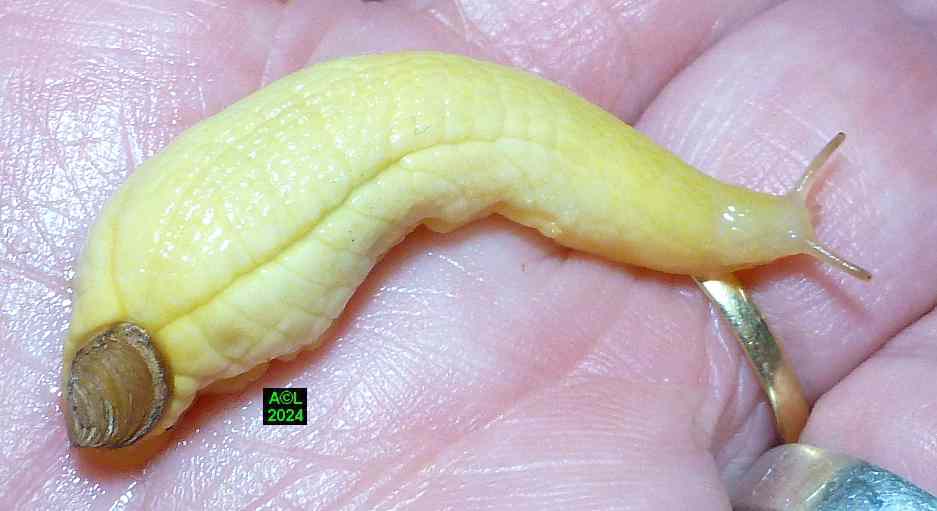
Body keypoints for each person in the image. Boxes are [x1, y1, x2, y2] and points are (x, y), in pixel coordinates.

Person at [1, 0, 936, 508]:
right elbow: (288, 404)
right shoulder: (195, 333)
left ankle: (748, 223)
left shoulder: (145, 280)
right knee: (498, 134)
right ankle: (744, 224)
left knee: (493, 135)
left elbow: (287, 403)